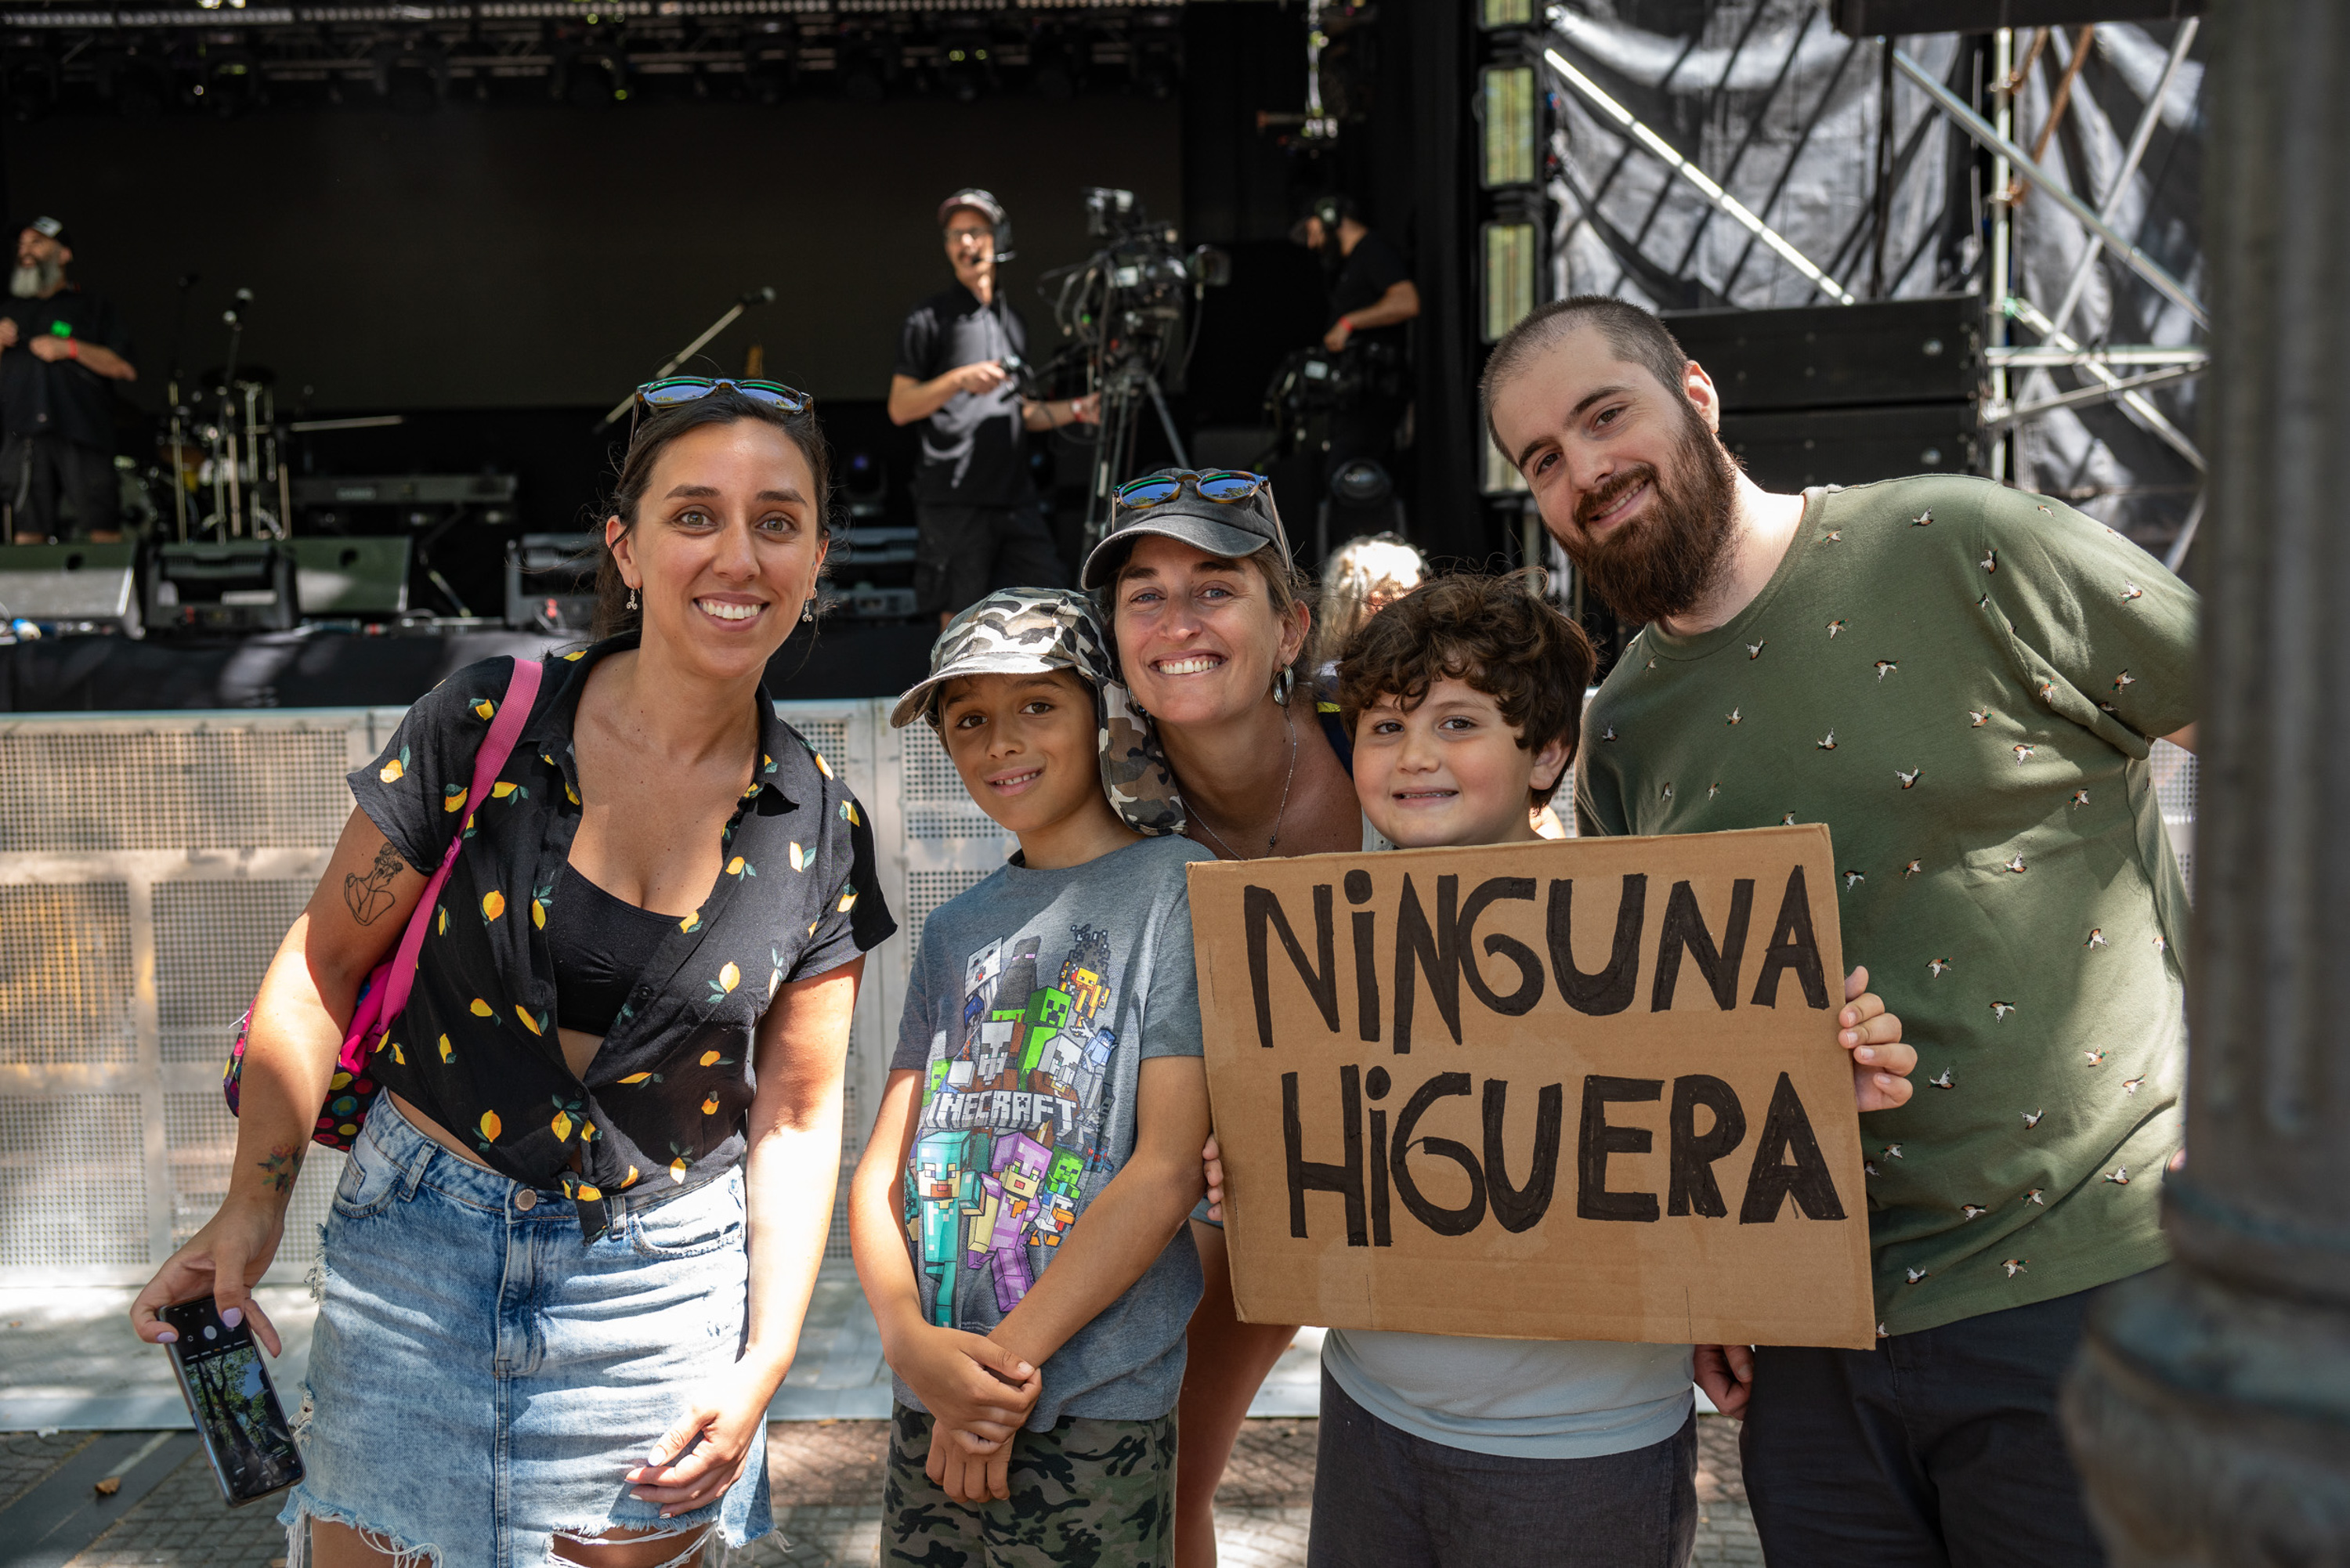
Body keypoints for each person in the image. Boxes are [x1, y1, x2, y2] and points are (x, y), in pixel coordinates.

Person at [1484, 294, 2199, 1568]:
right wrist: (1711, 1266)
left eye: (1606, 416)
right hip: (1814, 1357)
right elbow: (1675, 1041)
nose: (1585, 471)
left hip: (2095, 1290)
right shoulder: (1625, 727)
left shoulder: (1968, 541)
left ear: (1695, 398)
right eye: (1542, 457)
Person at [129, 378, 895, 1567]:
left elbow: (797, 1116)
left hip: (655, 1301)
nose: (738, 554)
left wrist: (770, 1353)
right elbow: (319, 966)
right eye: (695, 514)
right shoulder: (488, 720)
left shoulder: (819, 825)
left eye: (777, 520)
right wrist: (253, 1198)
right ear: (625, 547)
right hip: (412, 1265)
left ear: (815, 558)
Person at [1199, 570, 1916, 1568]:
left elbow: (1717, 1137)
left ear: (1545, 754)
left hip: (1580, 1453)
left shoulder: (1647, 931)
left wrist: (1822, 1085)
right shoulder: (1326, 948)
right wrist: (1259, 1168)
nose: (1414, 757)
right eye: (1384, 726)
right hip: (1368, 1418)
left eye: (1458, 725)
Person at [851, 587, 1212, 1566]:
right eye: (969, 719)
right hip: (933, 1393)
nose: (1000, 742)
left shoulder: (1176, 887)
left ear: (1101, 713)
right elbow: (883, 1169)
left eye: (1037, 706)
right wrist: (907, 1344)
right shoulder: (955, 927)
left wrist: (999, 1377)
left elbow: (1168, 1169)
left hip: (1089, 1407)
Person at [1076, 467, 1362, 1568]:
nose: (1177, 622)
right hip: (1229, 1174)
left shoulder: (1383, 729)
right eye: (1143, 593)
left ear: (1289, 626)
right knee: (1165, 1473)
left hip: (1428, 1155)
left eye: (1215, 588)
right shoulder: (1104, 792)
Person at [889, 190, 1100, 626]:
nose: (965, 243)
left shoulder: (1013, 321)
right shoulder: (930, 317)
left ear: (997, 238)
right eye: (955, 235)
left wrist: (1078, 409)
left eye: (974, 232)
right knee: (962, 622)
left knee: (1052, 607)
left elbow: (1021, 412)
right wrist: (959, 379)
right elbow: (900, 407)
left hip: (1015, 496)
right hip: (955, 497)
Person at [0, 216, 136, 544]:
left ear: (64, 254)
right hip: (23, 434)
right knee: (27, 530)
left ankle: (108, 595)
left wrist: (70, 347)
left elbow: (125, 368)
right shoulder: (8, 310)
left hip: (81, 429)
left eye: (37, 243)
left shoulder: (91, 306)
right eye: (22, 245)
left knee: (102, 526)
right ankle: (28, 597)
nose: (26, 251)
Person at [1293, 195, 1418, 513]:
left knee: (1349, 479)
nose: (1312, 243)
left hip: (1375, 394)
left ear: (1330, 218)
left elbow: (1407, 301)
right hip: (1355, 397)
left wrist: (1349, 322)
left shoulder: (1374, 252)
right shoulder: (1351, 264)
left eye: (1312, 231)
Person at [1307, 531, 1423, 681]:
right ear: (1377, 602)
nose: (1422, 595)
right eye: (1410, 591)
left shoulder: (1327, 676)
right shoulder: (1337, 682)